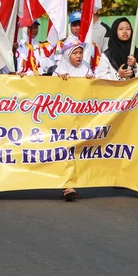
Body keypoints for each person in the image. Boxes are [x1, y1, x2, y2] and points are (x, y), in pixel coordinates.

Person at [52, 38, 94, 201]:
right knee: (66, 151)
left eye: (80, 52)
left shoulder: (86, 69)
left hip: (82, 118)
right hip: (64, 120)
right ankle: (67, 185)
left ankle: (73, 182)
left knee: (77, 152)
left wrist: (92, 81)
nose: (78, 56)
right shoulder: (59, 71)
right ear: (67, 55)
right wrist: (59, 82)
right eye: (75, 53)